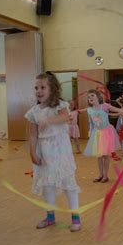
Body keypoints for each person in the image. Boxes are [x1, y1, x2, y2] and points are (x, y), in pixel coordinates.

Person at [25, 72, 81, 232]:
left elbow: (64, 117)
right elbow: (33, 134)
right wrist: (32, 153)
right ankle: (50, 216)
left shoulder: (60, 105)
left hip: (61, 149)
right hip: (44, 151)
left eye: (43, 87)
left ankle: (75, 218)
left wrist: (47, 120)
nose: (38, 91)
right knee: (47, 184)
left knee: (68, 182)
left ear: (53, 89)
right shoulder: (33, 111)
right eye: (36, 87)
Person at [81, 89, 123, 182]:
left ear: (98, 97)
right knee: (99, 156)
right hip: (96, 134)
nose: (90, 98)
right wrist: (90, 133)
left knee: (106, 155)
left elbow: (116, 110)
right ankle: (100, 174)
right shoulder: (90, 110)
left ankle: (105, 175)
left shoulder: (104, 106)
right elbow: (91, 122)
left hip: (106, 133)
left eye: (92, 96)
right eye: (89, 96)